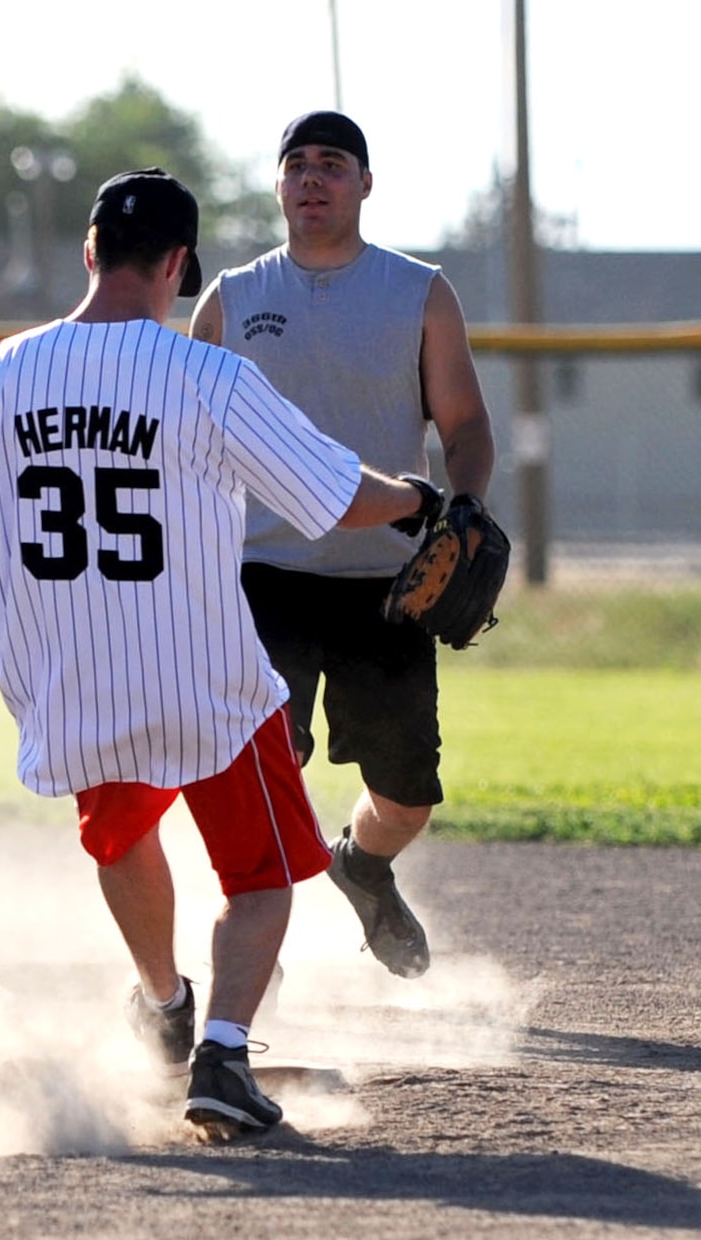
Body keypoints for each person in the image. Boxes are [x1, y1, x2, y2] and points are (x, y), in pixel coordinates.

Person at [0, 169, 444, 1139]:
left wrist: (33, 537)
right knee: (262, 876)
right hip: (202, 676)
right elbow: (329, 493)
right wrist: (419, 498)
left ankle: (160, 1003)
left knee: (120, 833)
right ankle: (222, 1056)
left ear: (87, 254)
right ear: (178, 266)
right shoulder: (205, 374)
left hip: (67, 677)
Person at [190, 112, 498, 979]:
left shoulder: (418, 290)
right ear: (278, 185)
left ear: (365, 184)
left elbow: (467, 425)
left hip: (386, 580)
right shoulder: (235, 298)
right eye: (297, 165)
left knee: (404, 799)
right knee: (257, 772)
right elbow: (185, 442)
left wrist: (463, 510)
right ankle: (253, 944)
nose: (313, 179)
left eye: (333, 164)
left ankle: (361, 866)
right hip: (262, 578)